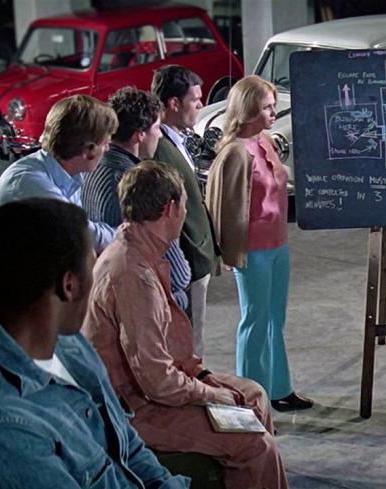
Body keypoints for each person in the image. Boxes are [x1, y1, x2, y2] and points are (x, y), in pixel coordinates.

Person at [82, 161, 288, 489]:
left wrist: (205, 382)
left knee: (254, 395)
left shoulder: (138, 248)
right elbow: (157, 381)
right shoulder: (133, 275)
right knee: (255, 445)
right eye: (186, 205)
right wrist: (210, 394)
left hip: (152, 389)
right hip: (134, 408)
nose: (187, 213)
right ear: (170, 208)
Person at [0, 198, 188, 488]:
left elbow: (128, 446)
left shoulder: (69, 343)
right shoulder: (5, 425)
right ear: (70, 286)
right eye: (93, 266)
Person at [205, 75, 311, 411]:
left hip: (278, 243)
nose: (273, 113)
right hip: (253, 248)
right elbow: (220, 205)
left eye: (273, 106)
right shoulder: (235, 152)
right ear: (249, 109)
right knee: (255, 319)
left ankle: (279, 388)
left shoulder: (265, 141)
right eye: (267, 107)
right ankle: (251, 397)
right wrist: (228, 252)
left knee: (275, 319)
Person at [82, 86, 192, 310]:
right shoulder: (138, 184)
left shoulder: (91, 170)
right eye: (157, 128)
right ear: (139, 135)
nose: (160, 135)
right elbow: (178, 276)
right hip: (141, 302)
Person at [0, 95, 117, 252]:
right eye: (105, 143)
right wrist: (129, 232)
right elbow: (87, 237)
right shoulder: (31, 184)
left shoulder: (64, 172)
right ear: (87, 150)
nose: (107, 149)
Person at [152, 65, 219, 357]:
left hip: (197, 257)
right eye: (195, 100)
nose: (201, 105)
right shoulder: (160, 149)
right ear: (174, 104)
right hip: (187, 262)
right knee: (190, 344)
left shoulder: (176, 140)